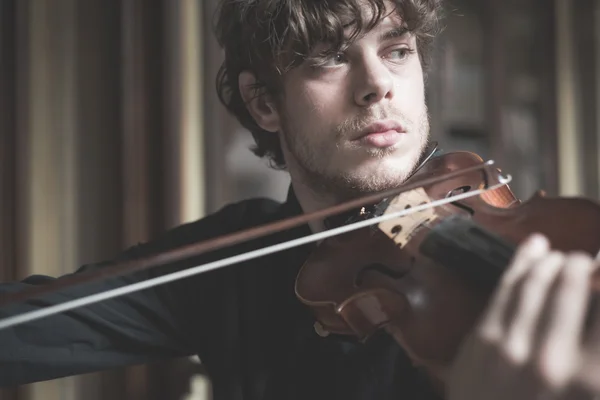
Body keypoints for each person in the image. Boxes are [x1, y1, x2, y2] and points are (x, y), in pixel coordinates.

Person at [0, 0, 599, 399]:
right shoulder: (231, 265)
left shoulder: (525, 245)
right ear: (264, 103)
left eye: (396, 50)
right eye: (330, 59)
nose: (377, 85)